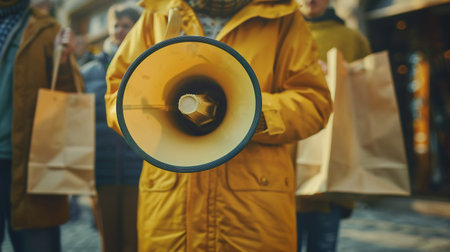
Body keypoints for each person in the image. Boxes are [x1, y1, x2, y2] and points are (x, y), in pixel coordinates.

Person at [105, 0, 333, 251]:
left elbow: (315, 103)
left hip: (254, 215)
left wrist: (250, 112)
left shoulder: (283, 18)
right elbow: (119, 95)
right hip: (169, 213)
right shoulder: (157, 14)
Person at [0, 0, 82, 251]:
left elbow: (70, 100)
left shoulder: (48, 29)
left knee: (38, 244)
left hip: (31, 162)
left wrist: (64, 61)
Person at [295, 0, 371, 251]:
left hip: (332, 168)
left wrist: (341, 77)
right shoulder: (280, 35)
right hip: (284, 168)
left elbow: (367, 101)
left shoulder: (352, 39)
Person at [80, 3, 143, 252]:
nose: (119, 30)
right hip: (101, 167)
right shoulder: (90, 71)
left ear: (136, 29)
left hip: (137, 166)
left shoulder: (148, 67)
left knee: (135, 236)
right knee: (108, 238)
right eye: (115, 25)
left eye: (126, 25)